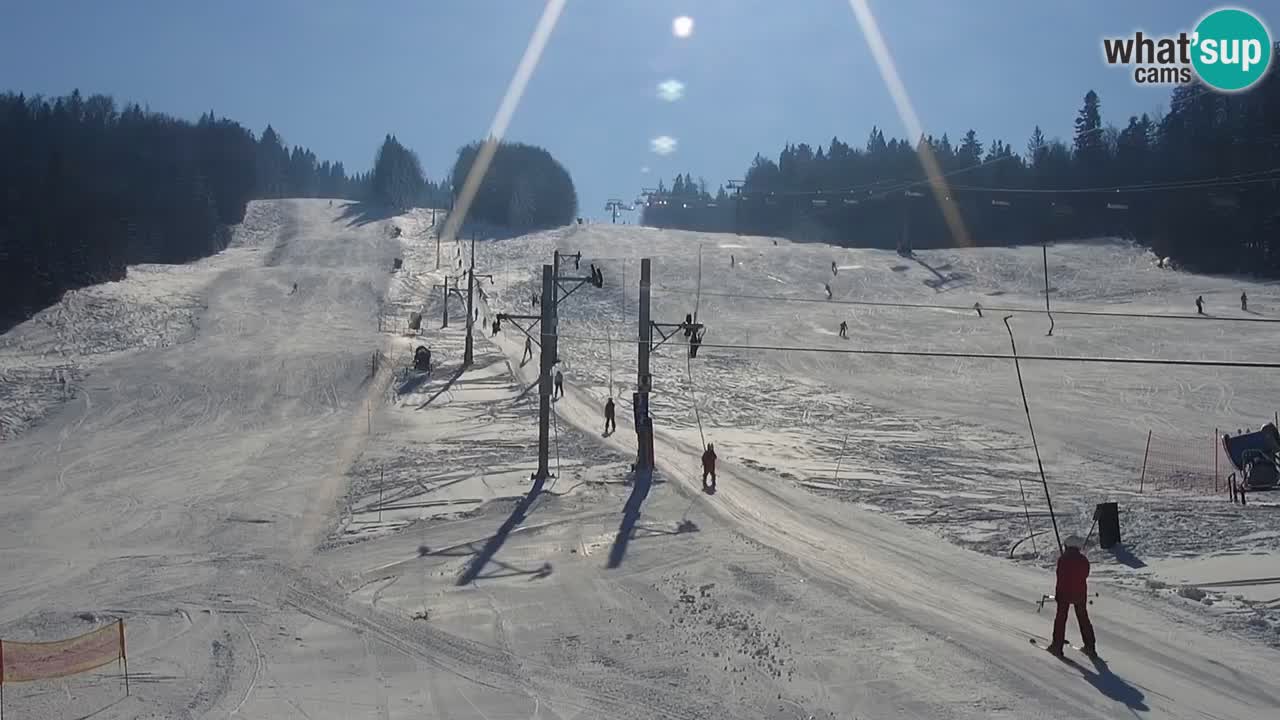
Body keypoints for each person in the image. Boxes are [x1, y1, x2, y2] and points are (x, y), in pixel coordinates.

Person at [1047, 536, 1096, 658]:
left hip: (1064, 594)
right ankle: (1090, 647)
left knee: (1061, 619)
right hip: (1080, 594)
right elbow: (1085, 575)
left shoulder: (1063, 559)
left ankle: (1057, 646)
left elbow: (1060, 578)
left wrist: (1058, 594)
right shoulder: (1084, 560)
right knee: (1083, 619)